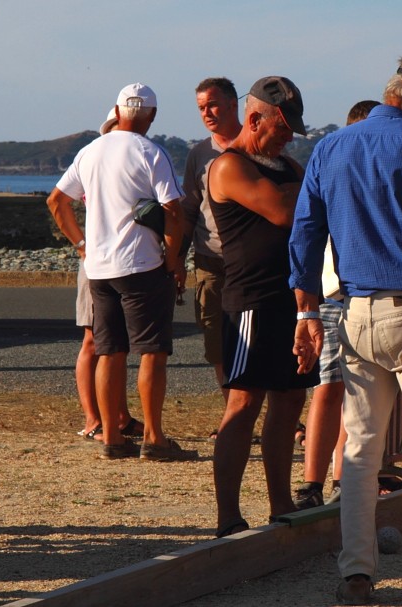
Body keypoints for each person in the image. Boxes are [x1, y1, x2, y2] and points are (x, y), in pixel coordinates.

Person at [289, 53, 402, 606]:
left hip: (353, 312)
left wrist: (305, 313)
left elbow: (304, 235)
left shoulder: (330, 147)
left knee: (362, 451)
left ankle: (356, 577)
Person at [46, 83, 192, 461]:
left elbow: (57, 201)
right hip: (141, 264)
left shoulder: (91, 151)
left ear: (116, 110)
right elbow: (173, 210)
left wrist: (81, 245)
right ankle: (155, 439)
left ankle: (111, 435)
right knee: (152, 352)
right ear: (152, 116)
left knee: (110, 352)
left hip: (99, 267)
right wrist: (173, 258)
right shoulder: (151, 152)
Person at [205, 76, 315, 538]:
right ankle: (228, 517)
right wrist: (311, 191)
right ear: (255, 119)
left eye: (292, 128)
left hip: (288, 300)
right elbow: (286, 211)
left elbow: (308, 197)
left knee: (289, 401)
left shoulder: (286, 164)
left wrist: (309, 190)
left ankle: (281, 504)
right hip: (249, 302)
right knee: (243, 403)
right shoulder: (229, 166)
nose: (289, 135)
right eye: (283, 125)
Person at [293, 99, 379, 510]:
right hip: (332, 294)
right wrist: (305, 305)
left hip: (366, 294)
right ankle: (312, 481)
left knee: (357, 392)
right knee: (327, 388)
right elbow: (307, 228)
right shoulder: (333, 167)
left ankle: (345, 477)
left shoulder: (375, 175)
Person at [72, 110, 144, 442]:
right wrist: (82, 245)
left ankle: (119, 416)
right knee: (94, 341)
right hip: (98, 262)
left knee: (117, 345)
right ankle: (94, 419)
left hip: (124, 262)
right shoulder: (95, 161)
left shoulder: (128, 163)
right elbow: (57, 200)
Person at [180, 78, 242, 435]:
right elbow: (189, 209)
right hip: (209, 260)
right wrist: (176, 259)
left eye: (213, 105)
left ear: (234, 104)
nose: (207, 113)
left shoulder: (252, 147)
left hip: (248, 262)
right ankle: (232, 415)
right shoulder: (198, 154)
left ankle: (277, 416)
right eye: (202, 107)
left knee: (259, 338)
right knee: (216, 341)